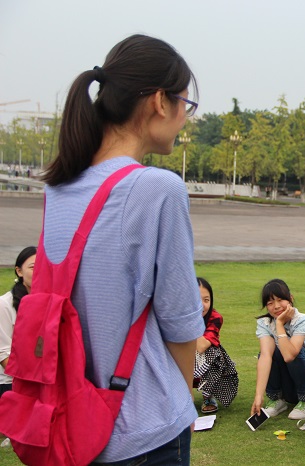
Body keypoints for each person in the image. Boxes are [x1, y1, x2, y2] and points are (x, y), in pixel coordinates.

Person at [39, 34, 204, 464]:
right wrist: (181, 402)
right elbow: (181, 322)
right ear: (159, 101)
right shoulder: (157, 188)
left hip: (68, 421)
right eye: (185, 104)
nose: (184, 119)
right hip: (143, 428)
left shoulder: (58, 189)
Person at [251, 278, 305, 421]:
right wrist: (258, 396)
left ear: (290, 299)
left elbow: (290, 355)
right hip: (288, 383)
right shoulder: (265, 323)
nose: (276, 306)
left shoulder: (302, 319)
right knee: (268, 351)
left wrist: (279, 324)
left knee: (294, 350)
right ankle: (277, 399)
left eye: (280, 300)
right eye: (270, 303)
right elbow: (266, 356)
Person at [193, 277, 239, 414]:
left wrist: (190, 319)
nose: (202, 305)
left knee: (212, 352)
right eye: (196, 299)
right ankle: (182, 396)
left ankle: (208, 396)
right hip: (183, 357)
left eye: (206, 300)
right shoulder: (176, 315)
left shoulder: (215, 317)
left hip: (206, 360)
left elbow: (202, 346)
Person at [0, 247, 36, 397]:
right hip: (12, 384)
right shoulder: (4, 304)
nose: (39, 272)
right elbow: (3, 354)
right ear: (19, 271)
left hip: (41, 382)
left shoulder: (50, 301)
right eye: (33, 267)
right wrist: (30, 380)